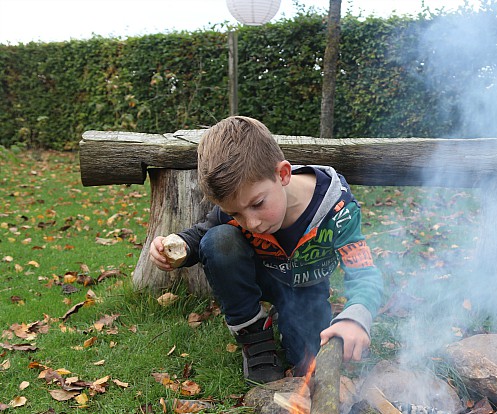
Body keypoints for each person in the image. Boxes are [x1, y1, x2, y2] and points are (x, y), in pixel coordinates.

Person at [148, 115, 383, 384]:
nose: (252, 223)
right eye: (235, 213)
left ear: (283, 174)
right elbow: (202, 232)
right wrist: (176, 248)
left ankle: (287, 319)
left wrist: (355, 317)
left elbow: (364, 273)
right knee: (219, 240)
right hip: (264, 279)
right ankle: (255, 338)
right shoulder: (244, 205)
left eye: (258, 204)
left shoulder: (338, 209)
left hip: (306, 289)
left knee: (308, 358)